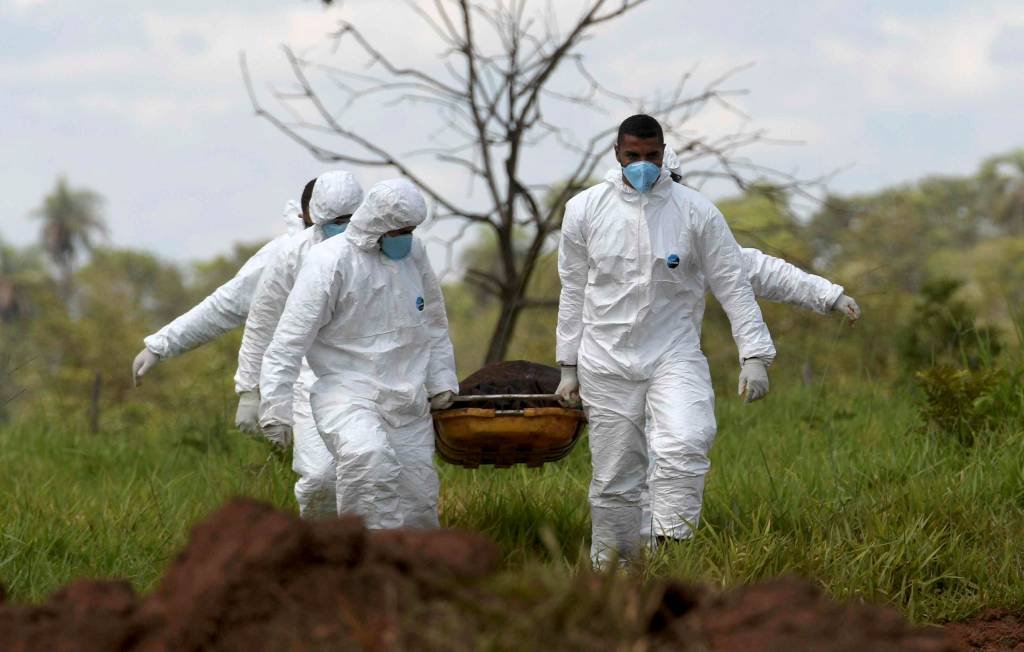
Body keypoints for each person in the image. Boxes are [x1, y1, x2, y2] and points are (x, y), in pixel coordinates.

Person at [555, 114, 776, 566]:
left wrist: (754, 353)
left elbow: (732, 282)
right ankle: (614, 571)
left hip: (673, 352)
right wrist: (567, 365)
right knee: (615, 477)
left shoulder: (695, 211)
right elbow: (573, 289)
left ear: (663, 152)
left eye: (651, 156)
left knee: (687, 438)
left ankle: (669, 551)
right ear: (617, 154)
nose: (642, 165)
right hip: (604, 359)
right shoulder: (584, 210)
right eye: (632, 156)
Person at [259, 179, 458, 528]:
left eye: (411, 230)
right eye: (400, 230)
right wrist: (275, 406)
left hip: (407, 399)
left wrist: (441, 380)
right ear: (378, 224)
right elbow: (290, 338)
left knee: (417, 497)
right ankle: (358, 563)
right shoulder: (330, 261)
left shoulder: (415, 255)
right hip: (347, 393)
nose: (406, 237)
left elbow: (434, 322)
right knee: (368, 461)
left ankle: (413, 573)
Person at [234, 170, 363, 519]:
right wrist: (250, 391)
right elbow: (263, 322)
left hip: (371, 382)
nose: (345, 226)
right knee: (321, 479)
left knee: (371, 478)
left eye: (351, 218)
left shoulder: (377, 250)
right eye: (336, 220)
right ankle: (320, 555)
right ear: (313, 217)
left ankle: (370, 559)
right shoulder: (293, 255)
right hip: (312, 383)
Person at [131, 179, 317, 385]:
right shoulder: (283, 255)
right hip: (296, 390)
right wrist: (160, 345)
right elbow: (226, 305)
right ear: (305, 214)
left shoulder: (357, 254)